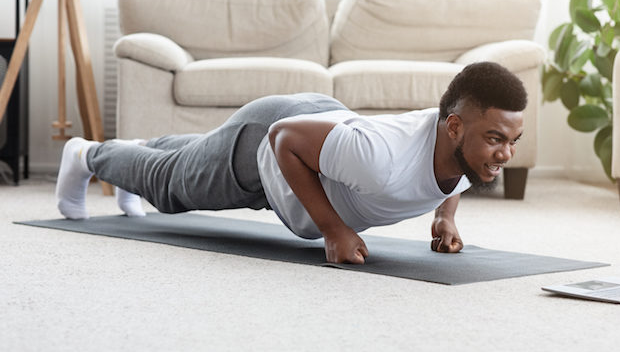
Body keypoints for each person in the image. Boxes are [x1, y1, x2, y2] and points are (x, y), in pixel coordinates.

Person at [55, 61, 527, 264]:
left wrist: (445, 217)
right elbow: (282, 139)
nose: (503, 155)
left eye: (512, 141)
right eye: (494, 139)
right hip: (271, 140)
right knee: (171, 189)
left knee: (195, 155)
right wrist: (333, 230)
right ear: (454, 128)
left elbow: (461, 172)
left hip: (318, 134)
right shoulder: (380, 158)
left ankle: (135, 150)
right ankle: (87, 154)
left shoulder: (463, 147)